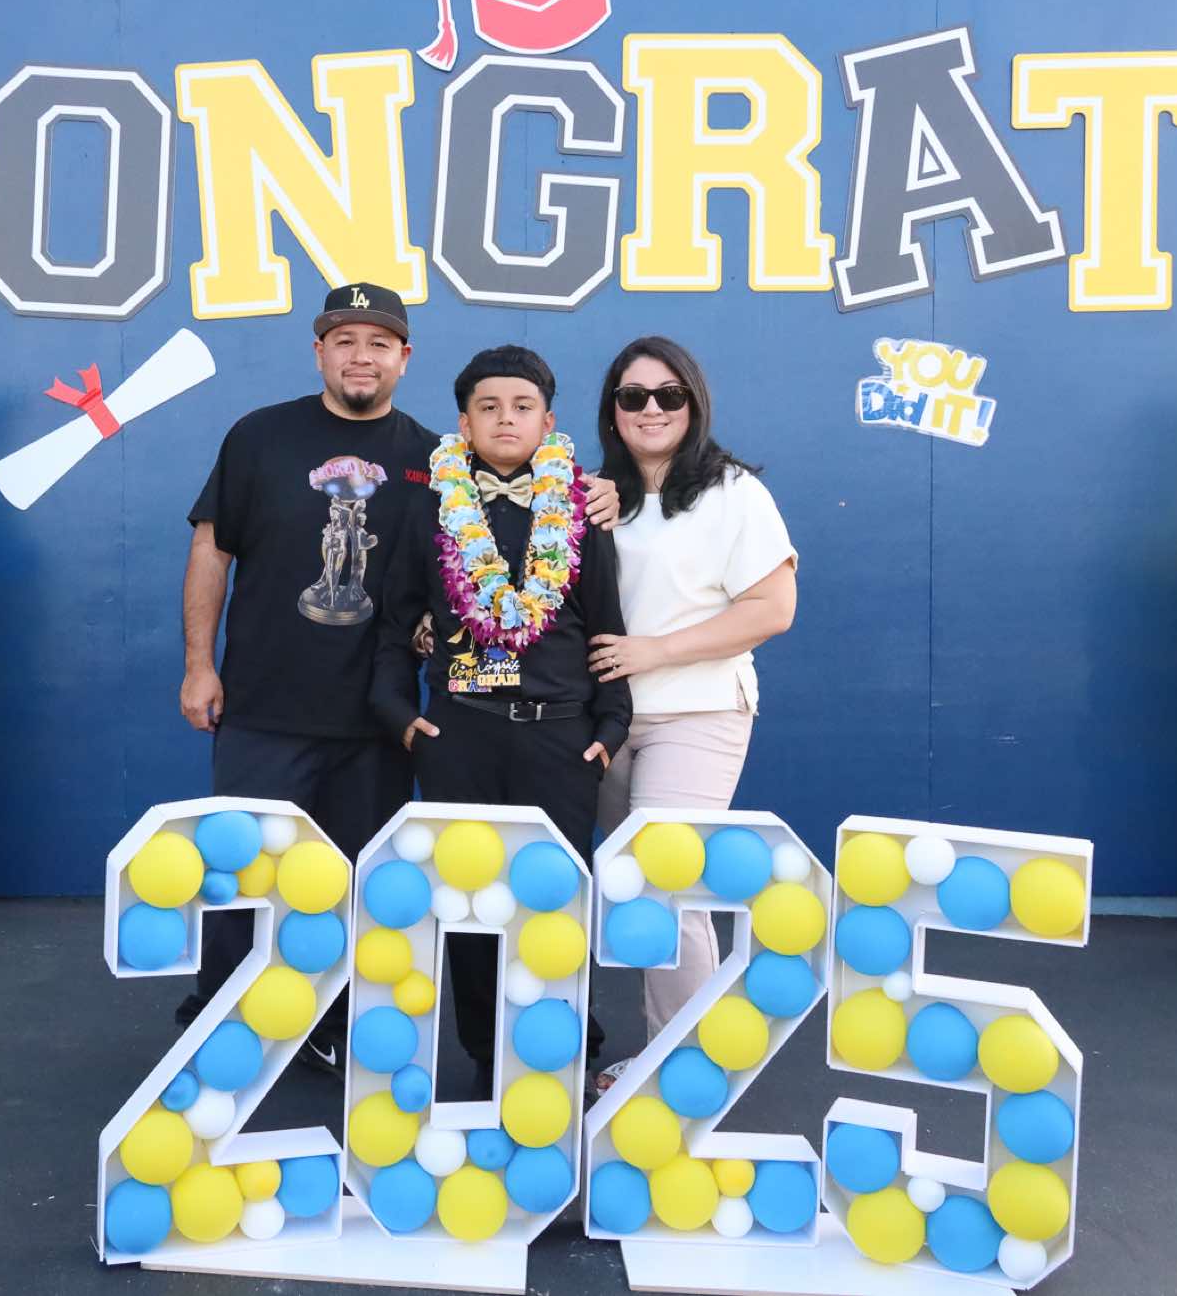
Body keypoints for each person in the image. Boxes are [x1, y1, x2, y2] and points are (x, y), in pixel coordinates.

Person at [178, 288, 620, 1073]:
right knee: (243, 875)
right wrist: (199, 663)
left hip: (376, 727)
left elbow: (449, 572)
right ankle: (221, 1028)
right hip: (264, 704)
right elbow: (212, 548)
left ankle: (333, 1029)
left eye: (378, 342)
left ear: (404, 358)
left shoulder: (434, 462)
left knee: (362, 892)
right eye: (344, 339)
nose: (361, 356)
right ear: (318, 350)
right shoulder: (258, 435)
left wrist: (606, 492)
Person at [371, 344, 631, 1095]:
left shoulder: (581, 509)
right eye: (488, 407)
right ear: (464, 423)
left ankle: (567, 1053)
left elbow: (606, 623)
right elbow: (395, 622)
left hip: (562, 737)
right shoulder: (432, 506)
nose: (505, 419)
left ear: (548, 423)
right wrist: (401, 718)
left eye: (522, 407)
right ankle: (488, 1055)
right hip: (462, 732)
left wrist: (608, 731)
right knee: (472, 901)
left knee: (555, 900)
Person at [581, 335, 798, 1097]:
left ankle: (690, 1071)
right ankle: (672, 1054)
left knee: (664, 882)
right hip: (607, 720)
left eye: (668, 394)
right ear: (612, 409)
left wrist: (656, 651)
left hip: (698, 710)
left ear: (694, 403)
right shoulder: (595, 494)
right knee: (644, 890)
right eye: (633, 395)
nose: (651, 408)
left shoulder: (734, 492)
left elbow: (773, 607)